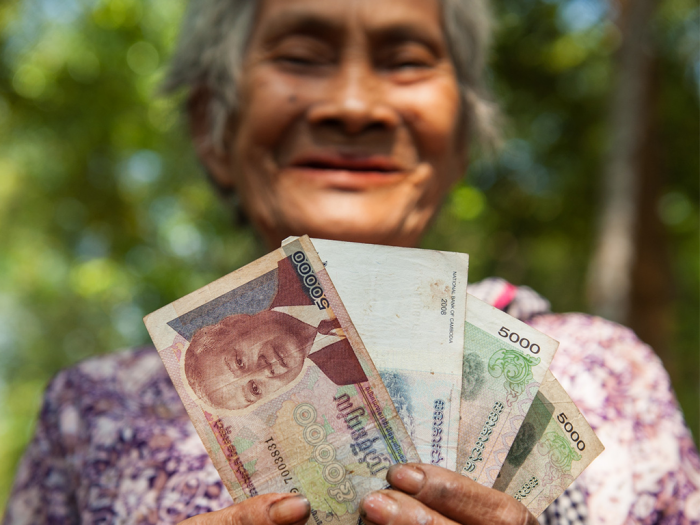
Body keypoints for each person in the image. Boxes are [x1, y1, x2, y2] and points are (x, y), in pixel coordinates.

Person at [3, 0, 699, 524]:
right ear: (212, 127)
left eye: (406, 60)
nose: (355, 106)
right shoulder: (91, 412)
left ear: (460, 134)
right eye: (301, 55)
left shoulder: (609, 374)